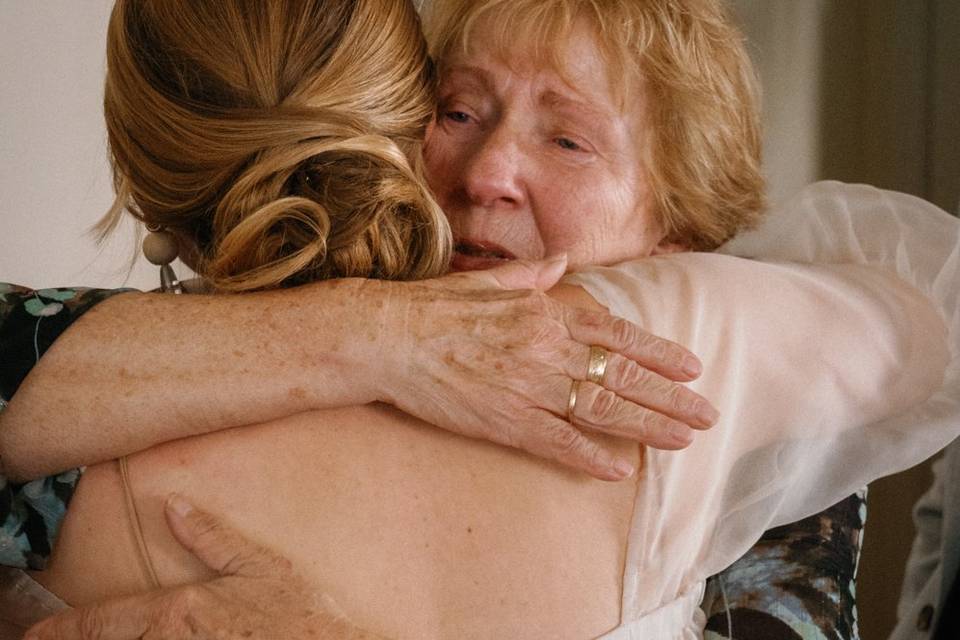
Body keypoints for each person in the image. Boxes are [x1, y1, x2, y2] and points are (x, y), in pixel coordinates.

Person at [4, 0, 959, 637]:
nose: (490, 172)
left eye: (568, 138)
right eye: (459, 112)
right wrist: (378, 336)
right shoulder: (137, 375)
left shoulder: (746, 402)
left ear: (684, 227)